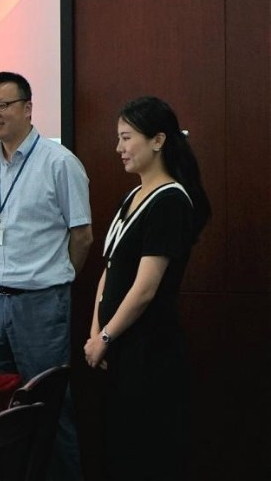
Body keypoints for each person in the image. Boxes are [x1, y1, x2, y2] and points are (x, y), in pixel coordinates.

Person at [0, 71, 93, 480]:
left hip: (40, 303)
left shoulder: (59, 162)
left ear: (27, 108)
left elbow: (82, 236)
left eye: (2, 106)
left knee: (49, 405)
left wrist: (56, 278)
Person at [84, 97, 210, 481]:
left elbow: (145, 288)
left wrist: (106, 336)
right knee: (118, 450)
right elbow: (110, 271)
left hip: (149, 349)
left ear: (158, 140)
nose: (118, 148)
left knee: (145, 455)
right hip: (119, 347)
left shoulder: (170, 200)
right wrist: (96, 332)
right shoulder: (131, 196)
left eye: (126, 138)